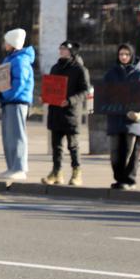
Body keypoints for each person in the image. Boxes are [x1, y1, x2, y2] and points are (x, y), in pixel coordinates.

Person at [41, 41, 91, 186]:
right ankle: (56, 172)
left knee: (73, 145)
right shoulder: (55, 67)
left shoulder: (79, 69)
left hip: (70, 113)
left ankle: (77, 173)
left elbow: (85, 91)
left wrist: (70, 100)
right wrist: (45, 96)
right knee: (56, 146)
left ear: (71, 52)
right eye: (60, 48)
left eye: (64, 49)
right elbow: (50, 86)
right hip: (55, 112)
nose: (61, 51)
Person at [104, 43, 140, 190]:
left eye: (126, 54)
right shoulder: (111, 74)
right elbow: (104, 94)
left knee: (130, 151)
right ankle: (119, 179)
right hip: (115, 118)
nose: (123, 57)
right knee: (115, 152)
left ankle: (129, 180)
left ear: (132, 56)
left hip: (132, 120)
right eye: (121, 54)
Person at [0, 28, 35, 181]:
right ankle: (12, 166)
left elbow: (19, 84)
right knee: (9, 136)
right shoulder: (12, 59)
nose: (4, 44)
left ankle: (19, 167)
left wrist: (4, 94)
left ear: (12, 43)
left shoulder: (20, 60)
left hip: (17, 102)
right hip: (9, 102)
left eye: (7, 41)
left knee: (17, 135)